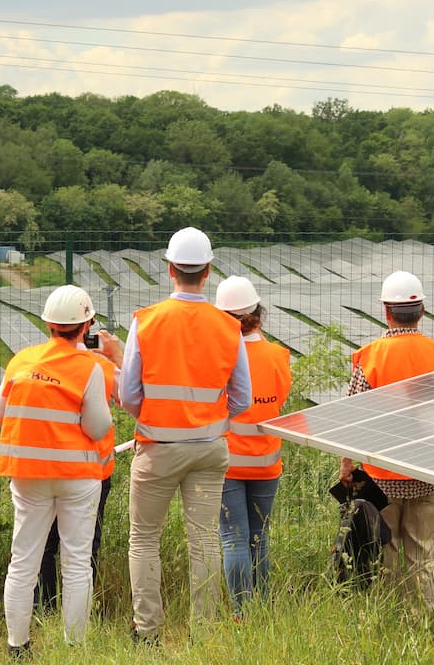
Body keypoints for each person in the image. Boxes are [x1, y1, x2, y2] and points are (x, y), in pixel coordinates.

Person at [120, 227, 252, 642]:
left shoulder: (146, 321)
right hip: (210, 449)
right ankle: (205, 631)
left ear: (169, 269)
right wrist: (207, 417)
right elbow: (242, 398)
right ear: (208, 271)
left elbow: (127, 394)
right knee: (205, 540)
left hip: (158, 448)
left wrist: (160, 416)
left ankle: (148, 631)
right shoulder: (229, 328)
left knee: (144, 539)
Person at [0, 286, 119, 656]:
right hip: (77, 476)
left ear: (48, 324)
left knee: (24, 559)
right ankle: (73, 646)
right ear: (87, 325)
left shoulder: (21, 361)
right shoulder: (90, 368)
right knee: (76, 562)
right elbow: (97, 428)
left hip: (27, 474)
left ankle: (18, 645)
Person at [340, 270, 434, 610]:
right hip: (427, 474)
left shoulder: (372, 356)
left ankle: (390, 628)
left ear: (386, 312)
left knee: (386, 561)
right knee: (422, 563)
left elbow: (352, 417)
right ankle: (420, 629)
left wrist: (347, 465)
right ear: (421, 311)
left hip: (381, 477)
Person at [213, 276, 291, 619]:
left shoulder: (219, 356)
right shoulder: (278, 355)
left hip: (227, 461)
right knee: (260, 536)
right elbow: (280, 399)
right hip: (266, 461)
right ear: (258, 313)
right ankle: (263, 608)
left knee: (233, 538)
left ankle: (242, 613)